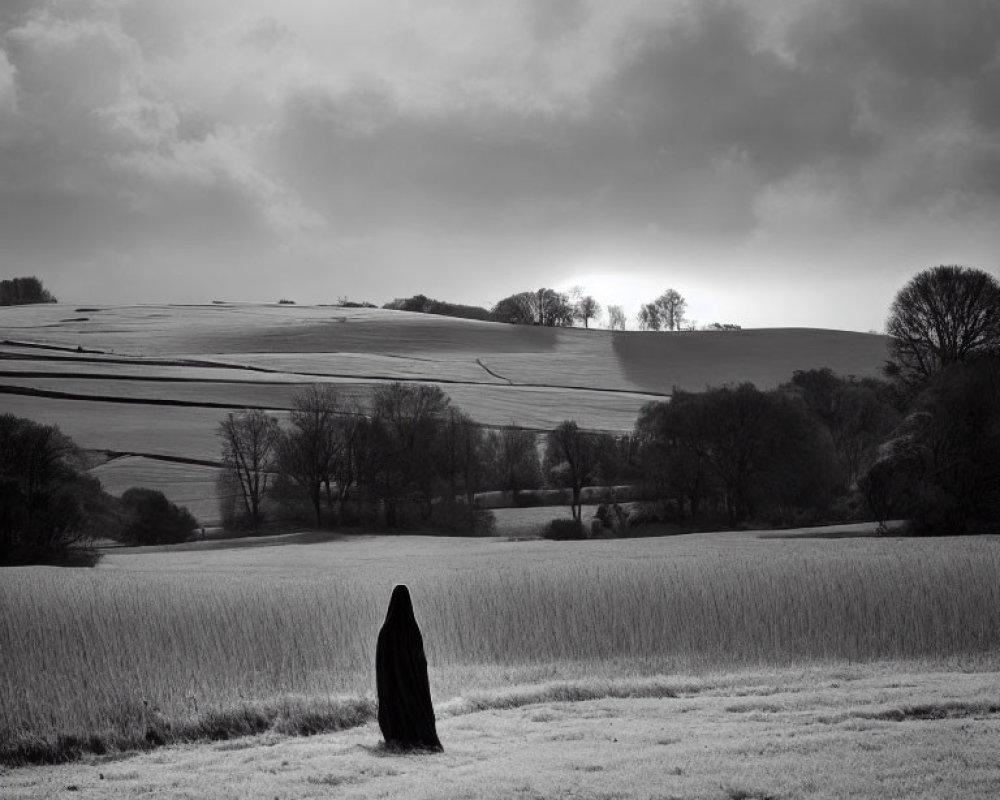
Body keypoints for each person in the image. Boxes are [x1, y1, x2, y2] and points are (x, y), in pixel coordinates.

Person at [375, 584, 443, 751]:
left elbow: (381, 665)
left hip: (391, 689)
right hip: (412, 688)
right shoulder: (412, 631)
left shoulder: (385, 632)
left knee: (396, 727)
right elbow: (420, 664)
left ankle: (396, 742)